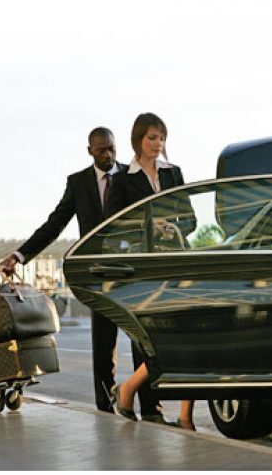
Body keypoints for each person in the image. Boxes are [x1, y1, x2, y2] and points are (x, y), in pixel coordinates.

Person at [0, 127, 139, 416]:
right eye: (101, 150)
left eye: (112, 148)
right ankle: (106, 409)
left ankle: (150, 406)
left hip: (131, 271)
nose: (108, 154)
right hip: (97, 275)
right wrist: (19, 255)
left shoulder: (130, 176)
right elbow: (54, 225)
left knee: (141, 341)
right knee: (103, 346)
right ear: (90, 151)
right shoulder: (78, 183)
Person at [105, 112, 196, 430]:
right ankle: (151, 407)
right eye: (152, 138)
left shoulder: (174, 174)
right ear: (138, 140)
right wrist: (148, 227)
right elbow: (112, 229)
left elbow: (192, 220)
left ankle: (178, 414)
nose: (158, 144)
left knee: (183, 334)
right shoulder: (122, 180)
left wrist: (173, 227)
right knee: (146, 339)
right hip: (142, 269)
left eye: (162, 138)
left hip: (175, 264)